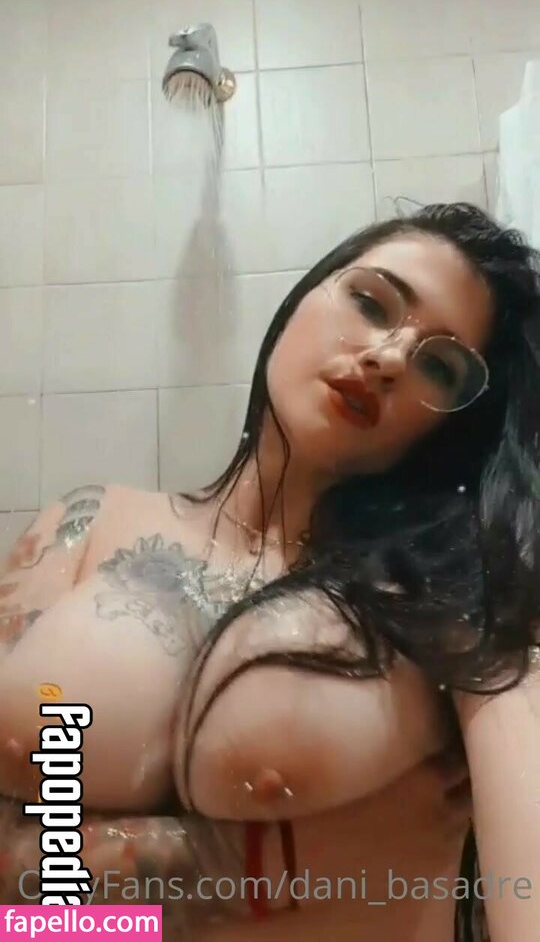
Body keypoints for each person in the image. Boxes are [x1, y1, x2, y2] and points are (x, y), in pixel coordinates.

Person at [0, 203, 539, 942]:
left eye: (439, 366)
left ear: (449, 425)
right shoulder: (89, 521)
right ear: (301, 300)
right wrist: (281, 870)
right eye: (371, 302)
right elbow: (26, 922)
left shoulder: (449, 607)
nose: (388, 356)